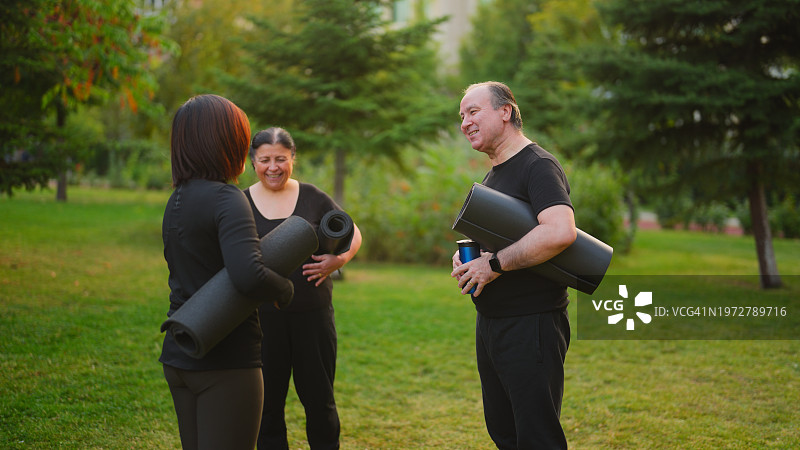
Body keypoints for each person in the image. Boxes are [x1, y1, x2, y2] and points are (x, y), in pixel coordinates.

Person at [160, 94, 294, 450]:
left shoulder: (177, 199)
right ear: (225, 141)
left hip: (180, 355)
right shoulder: (226, 198)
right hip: (225, 361)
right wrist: (283, 289)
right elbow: (248, 274)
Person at [450, 81, 577, 449]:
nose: (465, 122)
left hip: (531, 323)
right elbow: (508, 237)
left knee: (536, 437)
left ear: (505, 111)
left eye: (473, 111)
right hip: (493, 323)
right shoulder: (496, 173)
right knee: (505, 434)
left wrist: (494, 265)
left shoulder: (537, 165)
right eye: (461, 116)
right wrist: (470, 259)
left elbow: (559, 231)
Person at [244, 127, 363, 450]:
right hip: (261, 320)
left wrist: (338, 260)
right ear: (252, 161)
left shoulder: (312, 196)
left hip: (313, 317)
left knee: (320, 401)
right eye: (265, 159)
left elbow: (353, 232)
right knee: (266, 408)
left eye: (281, 159)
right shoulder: (240, 203)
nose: (273, 167)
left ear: (292, 158)